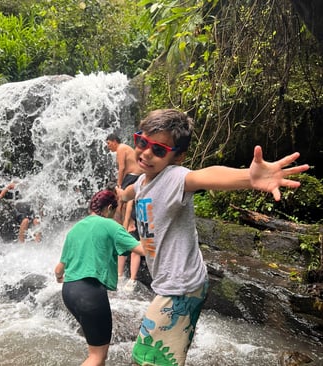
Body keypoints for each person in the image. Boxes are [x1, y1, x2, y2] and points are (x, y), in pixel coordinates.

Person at [115, 109, 310, 366]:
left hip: (181, 285)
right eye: (142, 142)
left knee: (149, 356)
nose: (147, 153)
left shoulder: (174, 178)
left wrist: (249, 177)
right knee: (164, 358)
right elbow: (132, 191)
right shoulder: (142, 181)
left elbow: (206, 175)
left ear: (178, 157)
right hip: (176, 280)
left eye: (160, 150)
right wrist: (121, 195)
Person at [54, 190, 145, 366]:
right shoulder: (110, 225)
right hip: (90, 293)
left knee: (96, 351)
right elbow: (143, 250)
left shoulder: (75, 229)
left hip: (69, 292)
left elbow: (59, 269)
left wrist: (59, 278)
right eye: (115, 210)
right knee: (97, 356)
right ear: (110, 208)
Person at [106, 134, 143, 290]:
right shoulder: (125, 148)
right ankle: (120, 274)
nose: (108, 146)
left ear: (115, 141)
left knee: (122, 199)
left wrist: (119, 184)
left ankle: (128, 223)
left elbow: (121, 167)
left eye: (108, 143)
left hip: (133, 176)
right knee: (124, 201)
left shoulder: (121, 149)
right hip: (135, 176)